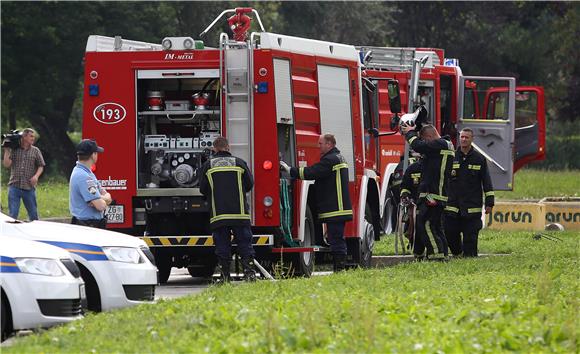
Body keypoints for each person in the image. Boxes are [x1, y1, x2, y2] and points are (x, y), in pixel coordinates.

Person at [280, 134, 352, 272]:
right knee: (336, 237)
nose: (319, 146)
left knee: (336, 239)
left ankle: (340, 269)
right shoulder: (338, 157)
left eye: (321, 143)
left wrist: (290, 170)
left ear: (329, 144)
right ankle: (339, 267)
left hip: (336, 208)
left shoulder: (329, 160)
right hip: (339, 207)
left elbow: (312, 172)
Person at [199, 136, 256, 282]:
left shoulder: (208, 165)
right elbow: (250, 184)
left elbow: (203, 189)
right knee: (245, 244)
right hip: (240, 214)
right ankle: (249, 274)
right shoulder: (240, 163)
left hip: (219, 215)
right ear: (228, 147)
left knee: (222, 246)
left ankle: (225, 276)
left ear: (215, 149)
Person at [401, 123, 454, 259]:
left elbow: (418, 146)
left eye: (425, 140)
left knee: (426, 225)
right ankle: (443, 254)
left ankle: (435, 255)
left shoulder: (441, 144)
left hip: (433, 195)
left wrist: (410, 133)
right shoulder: (441, 146)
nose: (424, 144)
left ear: (430, 137)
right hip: (435, 194)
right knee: (436, 227)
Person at [445, 128, 494, 257]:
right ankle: (457, 253)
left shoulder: (479, 159)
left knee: (470, 239)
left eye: (467, 137)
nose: (464, 139)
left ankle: (469, 258)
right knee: (449, 232)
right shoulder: (451, 157)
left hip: (472, 207)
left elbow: (486, 182)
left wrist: (489, 203)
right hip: (453, 206)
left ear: (472, 139)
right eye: (462, 137)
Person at [2, 128, 45, 220]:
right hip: (14, 186)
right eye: (31, 136)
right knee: (13, 215)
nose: (33, 138)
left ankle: (33, 232)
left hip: (28, 187)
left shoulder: (35, 150)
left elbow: (41, 165)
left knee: (33, 215)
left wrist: (36, 176)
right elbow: (7, 164)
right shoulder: (14, 149)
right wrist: (6, 150)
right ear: (24, 137)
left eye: (33, 136)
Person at [69, 139, 112, 229]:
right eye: (97, 152)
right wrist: (101, 198)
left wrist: (98, 198)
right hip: (87, 226)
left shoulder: (87, 173)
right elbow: (101, 206)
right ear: (93, 155)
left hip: (89, 225)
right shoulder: (83, 176)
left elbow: (105, 195)